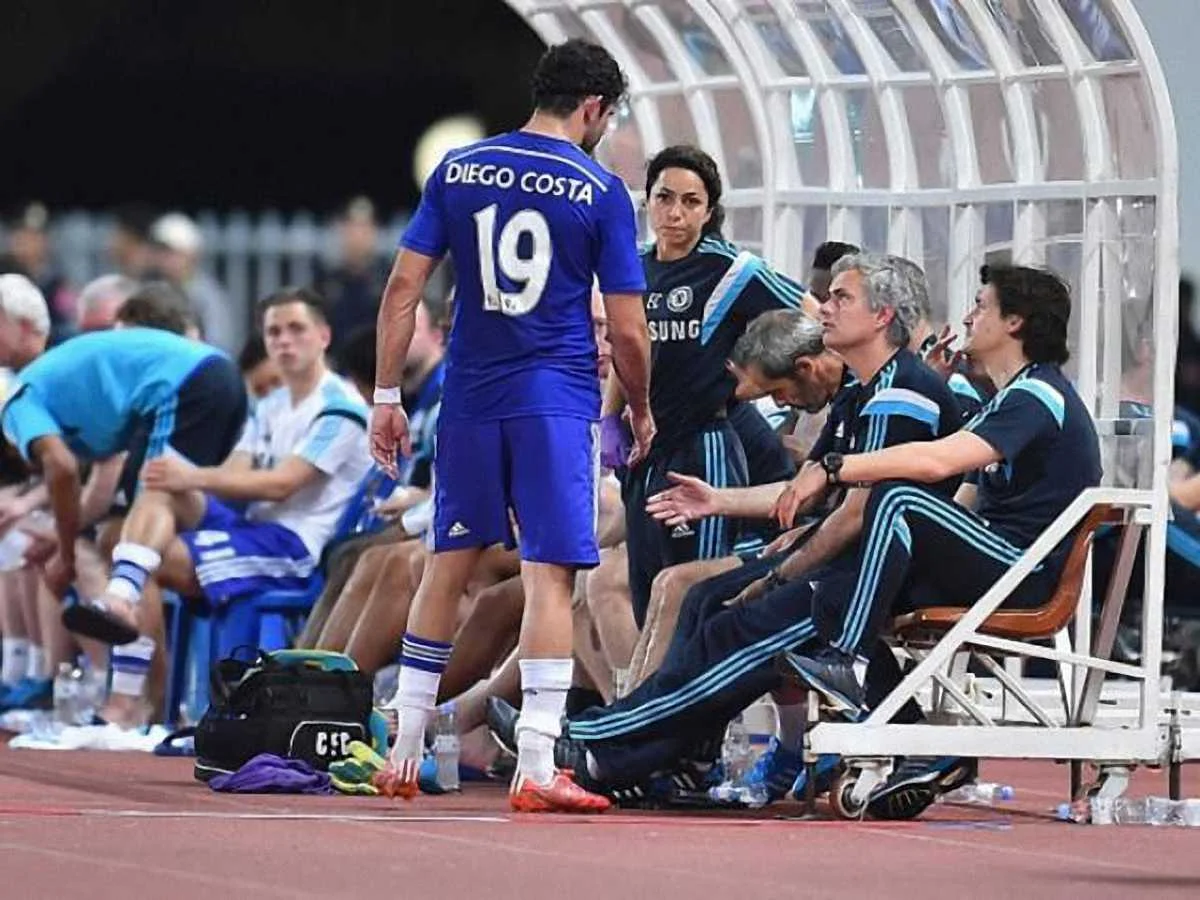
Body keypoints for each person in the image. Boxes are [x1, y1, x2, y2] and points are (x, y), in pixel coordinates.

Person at [368, 39, 654, 812]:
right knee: (549, 576)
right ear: (593, 107)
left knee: (446, 563)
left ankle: (403, 747)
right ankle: (535, 763)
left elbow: (402, 288)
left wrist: (387, 395)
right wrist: (639, 406)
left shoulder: (459, 168)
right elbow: (628, 330)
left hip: (470, 394)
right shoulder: (600, 190)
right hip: (554, 399)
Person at [780, 265, 1101, 809]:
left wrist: (835, 467)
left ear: (1015, 322)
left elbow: (936, 462)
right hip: (993, 558)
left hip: (1025, 571)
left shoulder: (1038, 395)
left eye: (981, 305)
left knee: (896, 496)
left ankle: (848, 661)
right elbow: (963, 499)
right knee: (834, 586)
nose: (968, 317)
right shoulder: (1006, 397)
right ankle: (919, 743)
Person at [611, 144, 804, 627]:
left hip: (703, 449)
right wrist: (608, 419)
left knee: (694, 595)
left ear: (709, 210)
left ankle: (699, 679)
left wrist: (760, 379)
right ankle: (647, 680)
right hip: (643, 456)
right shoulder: (633, 267)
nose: (675, 213)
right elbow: (625, 347)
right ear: (648, 201)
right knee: (647, 600)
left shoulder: (733, 271)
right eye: (664, 197)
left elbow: (812, 317)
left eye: (691, 201)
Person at [0, 288, 246, 631]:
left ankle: (122, 601)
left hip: (186, 385)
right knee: (142, 526)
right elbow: (97, 477)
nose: (33, 461)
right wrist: (62, 541)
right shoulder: (72, 401)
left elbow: (61, 468)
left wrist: (66, 555)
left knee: (151, 499)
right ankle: (145, 627)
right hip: (211, 379)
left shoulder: (15, 405)